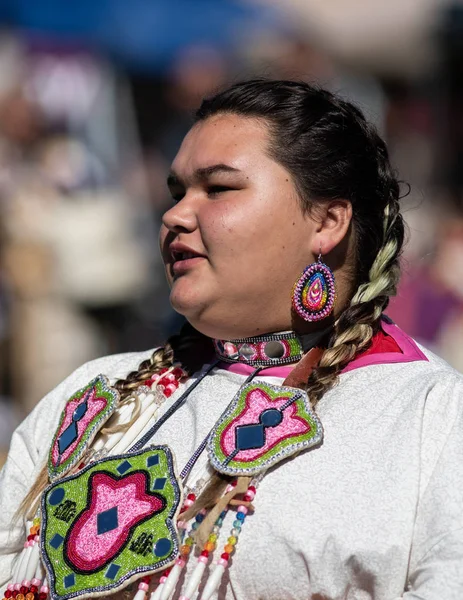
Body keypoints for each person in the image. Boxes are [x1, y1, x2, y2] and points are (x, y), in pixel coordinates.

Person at [1, 79, 462, 600]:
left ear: (327, 222)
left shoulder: (430, 416)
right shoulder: (92, 392)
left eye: (218, 189)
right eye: (177, 192)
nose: (174, 215)